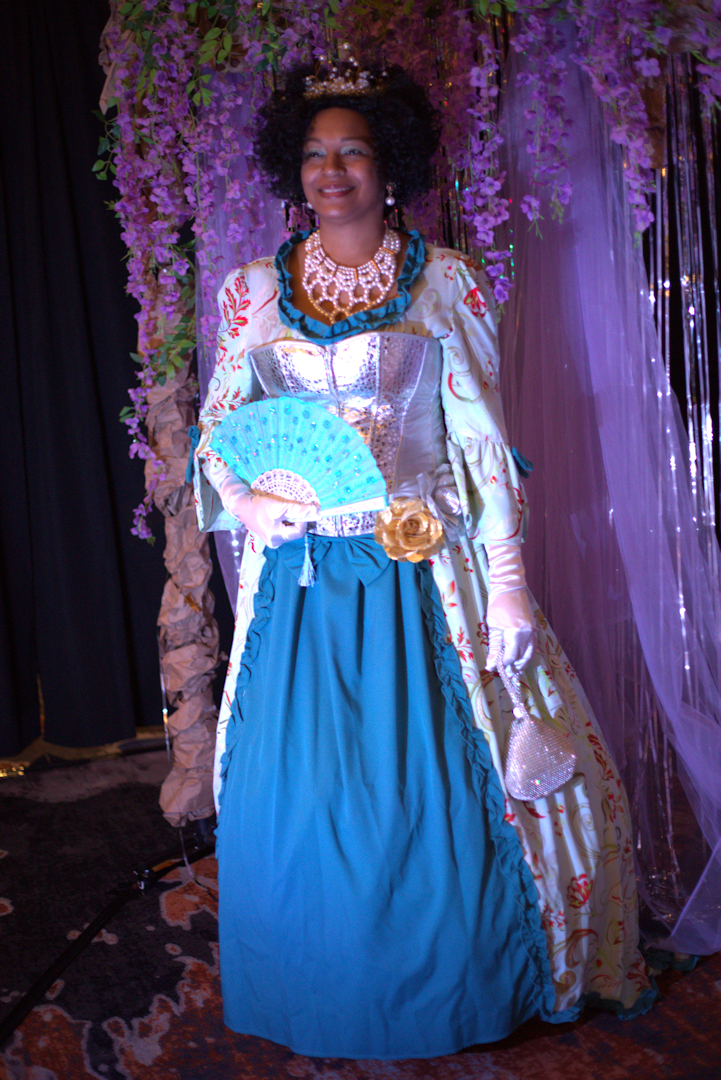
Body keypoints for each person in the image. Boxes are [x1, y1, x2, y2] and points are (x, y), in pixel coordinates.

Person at [191, 61, 654, 1060]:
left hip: (422, 571)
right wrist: (248, 502)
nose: (331, 171)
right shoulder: (251, 293)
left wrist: (509, 588)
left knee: (425, 791)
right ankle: (317, 987)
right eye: (314, 154)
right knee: (304, 791)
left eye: (353, 150)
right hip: (302, 585)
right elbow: (219, 430)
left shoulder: (445, 280)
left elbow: (481, 443)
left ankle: (460, 982)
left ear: (389, 165)